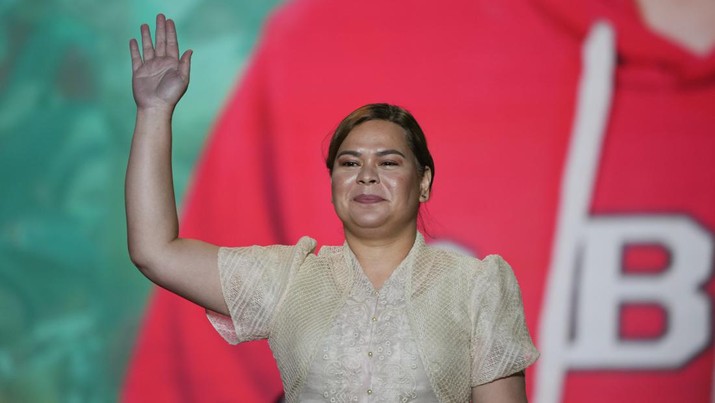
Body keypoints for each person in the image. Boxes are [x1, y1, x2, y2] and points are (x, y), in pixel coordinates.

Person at [126, 14, 538, 402]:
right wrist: (154, 112)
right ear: (333, 184)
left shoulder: (478, 286)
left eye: (389, 162)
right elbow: (156, 252)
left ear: (424, 182)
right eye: (350, 163)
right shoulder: (289, 279)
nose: (367, 175)